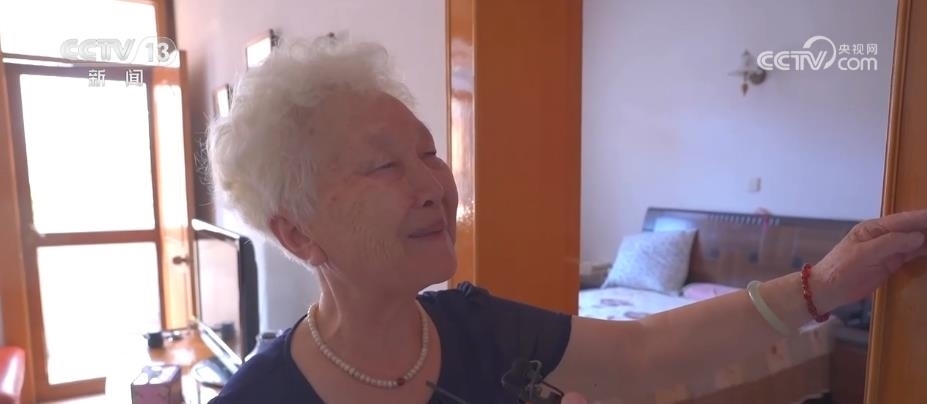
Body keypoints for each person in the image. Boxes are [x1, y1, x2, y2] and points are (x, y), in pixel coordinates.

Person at [204, 35, 927, 404]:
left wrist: (824, 284)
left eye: (429, 153)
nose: (432, 185)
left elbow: (644, 353)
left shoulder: (477, 328)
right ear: (298, 233)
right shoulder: (260, 397)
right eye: (383, 166)